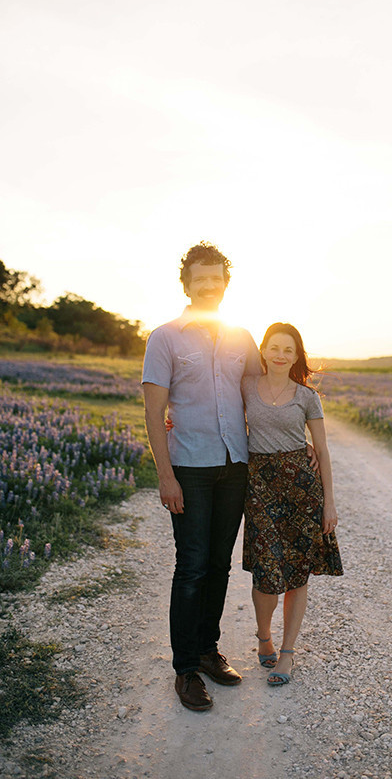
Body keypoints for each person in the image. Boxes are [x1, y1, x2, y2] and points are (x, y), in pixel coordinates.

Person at [142, 241, 262, 712]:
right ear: (187, 284)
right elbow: (154, 413)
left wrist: (304, 433)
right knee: (191, 567)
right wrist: (165, 476)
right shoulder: (165, 338)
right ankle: (185, 668)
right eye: (201, 278)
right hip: (189, 468)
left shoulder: (241, 336)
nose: (209, 285)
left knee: (218, 564)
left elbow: (261, 393)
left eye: (217, 278)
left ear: (225, 284)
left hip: (235, 466)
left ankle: (209, 650)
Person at [241, 322, 343, 686]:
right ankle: (263, 635)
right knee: (266, 574)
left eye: (289, 350)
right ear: (264, 351)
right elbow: (218, 415)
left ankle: (286, 654)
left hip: (302, 488)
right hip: (260, 487)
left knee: (297, 574)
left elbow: (323, 450)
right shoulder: (246, 386)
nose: (281, 355)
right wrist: (178, 421)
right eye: (275, 348)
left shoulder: (306, 396)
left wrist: (328, 504)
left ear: (297, 356)